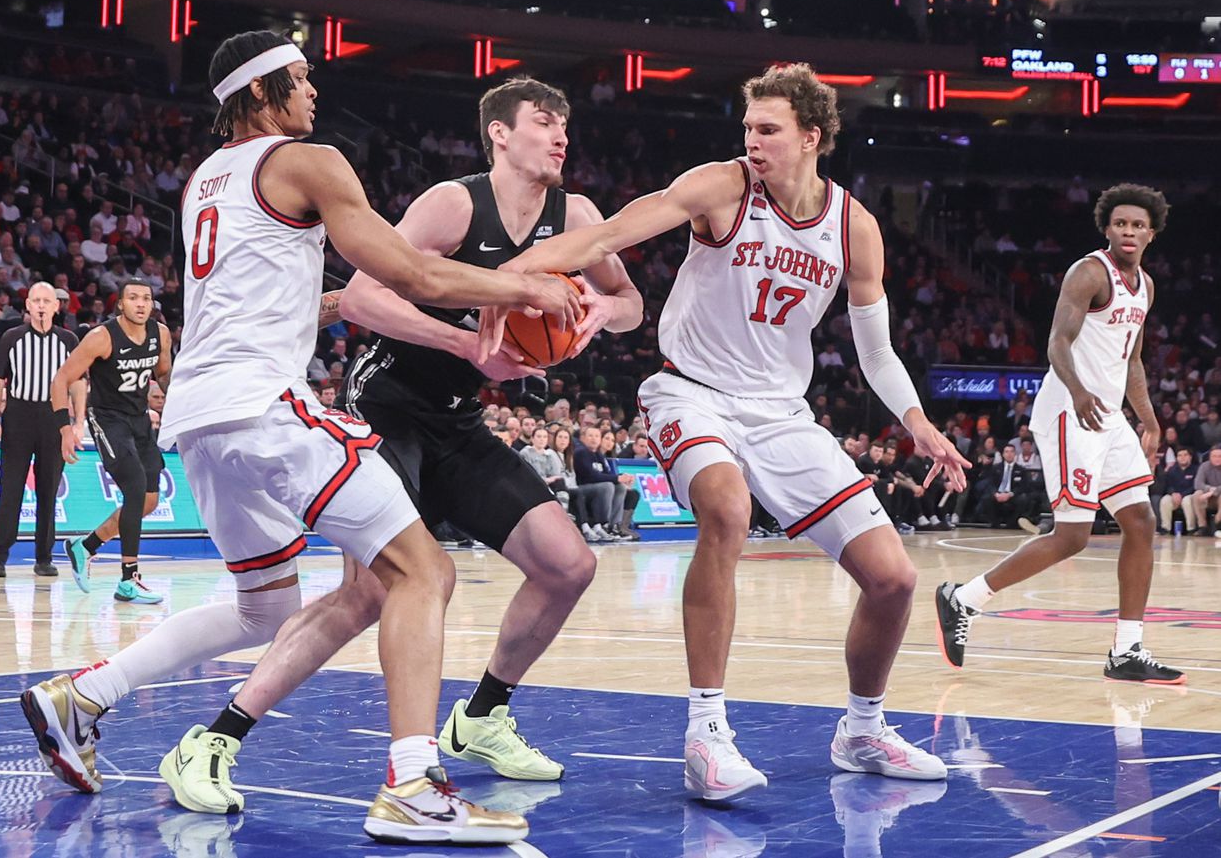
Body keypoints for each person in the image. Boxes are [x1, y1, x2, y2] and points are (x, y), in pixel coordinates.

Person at [18, 32, 576, 846]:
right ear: (261, 92)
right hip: (261, 405)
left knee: (263, 604)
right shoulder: (309, 161)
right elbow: (407, 272)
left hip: (201, 419)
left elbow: (262, 280)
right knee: (422, 568)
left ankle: (85, 693)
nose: (314, 91)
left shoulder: (205, 181)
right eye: (301, 79)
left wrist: (317, 307)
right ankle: (414, 784)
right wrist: (520, 284)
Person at [493, 64, 969, 797]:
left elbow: (875, 350)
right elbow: (615, 232)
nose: (751, 141)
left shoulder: (855, 227)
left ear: (812, 138)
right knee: (726, 508)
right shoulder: (722, 185)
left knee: (894, 576)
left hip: (782, 412)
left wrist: (918, 423)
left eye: (768, 130)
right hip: (691, 393)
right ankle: (707, 732)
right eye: (747, 127)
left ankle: (864, 728)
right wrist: (508, 281)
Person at [327, 76, 639, 779]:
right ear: (499, 132)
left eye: (566, 122)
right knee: (374, 592)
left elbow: (631, 300)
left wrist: (598, 316)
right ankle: (235, 731)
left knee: (569, 564)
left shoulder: (577, 213)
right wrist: (468, 346)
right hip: (387, 401)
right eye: (543, 119)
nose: (561, 132)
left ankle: (482, 717)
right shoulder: (453, 203)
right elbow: (360, 295)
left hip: (457, 419)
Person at [936, 184, 1185, 685]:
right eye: (1120, 224)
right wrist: (1078, 392)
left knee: (1141, 521)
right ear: (1107, 228)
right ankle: (964, 599)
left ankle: (1127, 650)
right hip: (1072, 410)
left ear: (1151, 232)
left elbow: (1131, 359)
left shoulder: (1146, 287)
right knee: (1073, 535)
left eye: (1138, 225)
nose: (1129, 231)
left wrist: (1150, 420)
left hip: (1108, 414)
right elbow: (1058, 342)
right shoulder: (1089, 272)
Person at [52, 277, 172, 605]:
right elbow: (62, 378)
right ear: (120, 303)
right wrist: (66, 428)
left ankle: (85, 546)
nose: (140, 304)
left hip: (140, 419)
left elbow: (163, 372)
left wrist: (180, 390)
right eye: (133, 298)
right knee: (134, 490)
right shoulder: (101, 337)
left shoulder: (160, 334)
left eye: (146, 298)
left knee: (148, 502)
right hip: (107, 420)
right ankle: (128, 580)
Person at [0, 283, 82, 578]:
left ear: (56, 306)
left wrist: (78, 422)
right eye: (36, 301)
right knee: (11, 487)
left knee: (49, 488)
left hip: (54, 417)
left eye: (47, 301)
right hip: (18, 414)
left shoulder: (68, 340)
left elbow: (78, 382)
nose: (41, 306)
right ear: (27, 305)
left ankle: (44, 556)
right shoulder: (11, 337)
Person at [1193, 446, 1221, 537]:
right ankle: (1202, 527)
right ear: (1210, 457)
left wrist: (1214, 491)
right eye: (1214, 456)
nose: (1217, 459)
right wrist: (1209, 489)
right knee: (1197, 494)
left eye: (1219, 456)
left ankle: (1218, 523)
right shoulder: (1204, 466)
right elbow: (1198, 484)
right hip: (1207, 498)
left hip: (1219, 497)